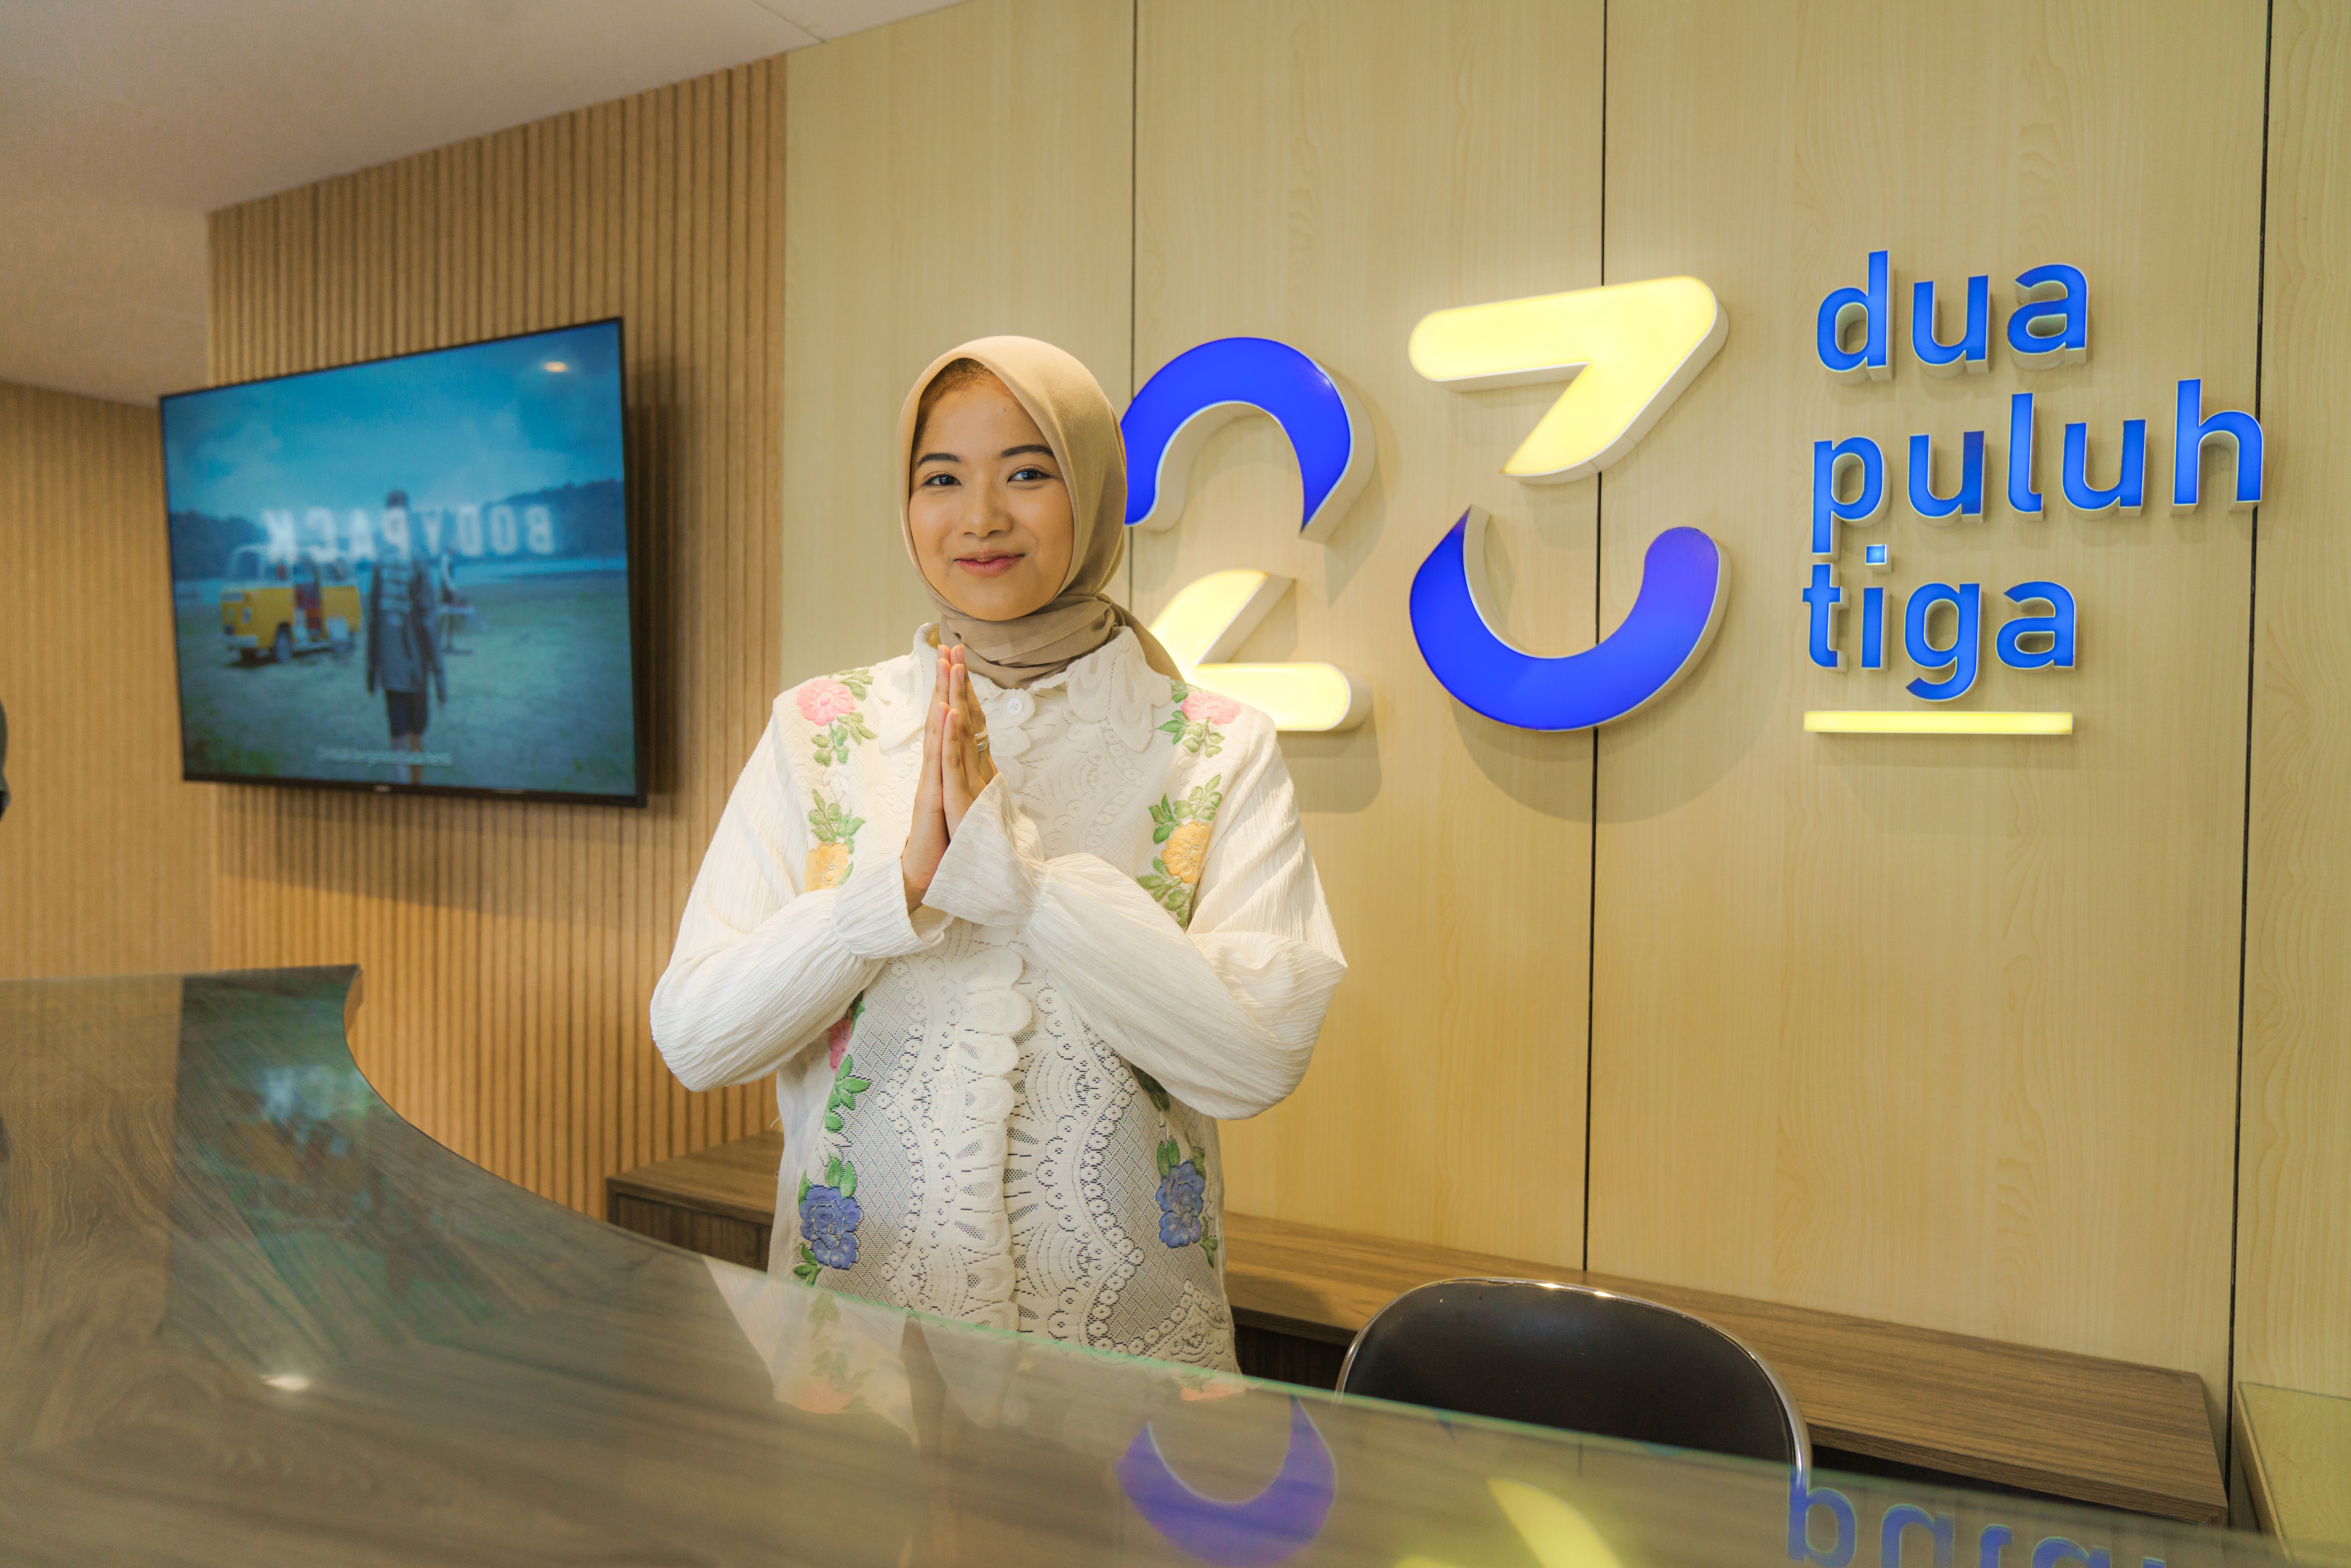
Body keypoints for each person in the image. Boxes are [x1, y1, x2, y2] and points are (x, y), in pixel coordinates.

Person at [650, 338, 1345, 1370]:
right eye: (942, 479)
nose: (979, 517)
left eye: (1028, 471)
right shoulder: (823, 730)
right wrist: (891, 894)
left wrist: (1021, 889)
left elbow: (1253, 1057)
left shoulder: (1211, 745)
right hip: (859, 1350)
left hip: (1129, 1358)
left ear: (1098, 495)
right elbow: (699, 1039)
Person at [364, 489, 447, 786]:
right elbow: (429, 625)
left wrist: (371, 671)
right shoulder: (419, 560)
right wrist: (440, 678)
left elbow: (372, 621)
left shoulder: (379, 563)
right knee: (415, 738)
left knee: (399, 744)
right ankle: (416, 792)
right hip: (416, 674)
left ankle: (404, 795)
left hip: (392, 674)